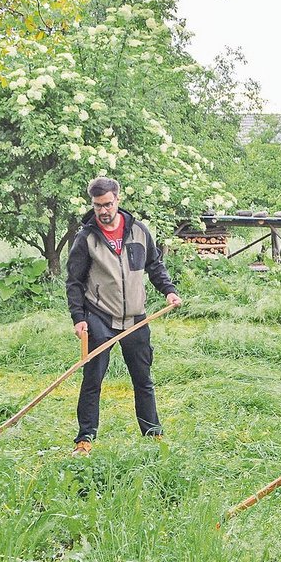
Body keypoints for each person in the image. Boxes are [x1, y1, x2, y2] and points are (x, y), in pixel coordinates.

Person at [65, 177, 182, 456]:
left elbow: (154, 265)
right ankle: (84, 439)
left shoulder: (139, 231)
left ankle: (153, 433)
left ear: (118, 199)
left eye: (107, 204)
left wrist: (169, 291)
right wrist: (78, 318)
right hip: (100, 316)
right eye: (97, 206)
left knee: (143, 378)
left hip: (135, 318)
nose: (103, 211)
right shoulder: (86, 238)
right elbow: (74, 282)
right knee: (93, 378)